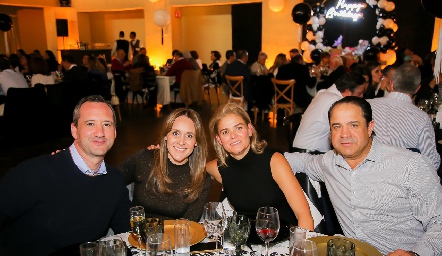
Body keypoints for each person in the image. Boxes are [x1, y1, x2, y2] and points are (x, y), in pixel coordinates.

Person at [285, 96, 442, 256]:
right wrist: (260, 150)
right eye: (337, 127)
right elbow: (300, 161)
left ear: (369, 127)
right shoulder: (329, 162)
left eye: (353, 125)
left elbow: (439, 222)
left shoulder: (410, 165)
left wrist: (414, 254)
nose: (344, 134)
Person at [0, 95, 131, 255]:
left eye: (107, 124)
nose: (100, 132)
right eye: (90, 124)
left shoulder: (114, 181)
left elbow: (128, 233)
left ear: (115, 132)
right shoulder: (35, 173)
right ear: (74, 130)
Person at [206, 103, 314, 230]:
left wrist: (300, 247)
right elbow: (193, 170)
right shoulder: (220, 168)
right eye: (225, 132)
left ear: (250, 129)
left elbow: (303, 214)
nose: (233, 135)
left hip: (282, 239)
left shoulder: (274, 161)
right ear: (219, 140)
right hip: (246, 241)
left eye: (239, 128)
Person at [120, 108, 211, 222]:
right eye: (175, 133)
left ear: (196, 141)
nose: (181, 142)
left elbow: (189, 226)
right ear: (165, 136)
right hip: (137, 236)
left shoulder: (201, 179)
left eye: (189, 136)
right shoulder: (144, 159)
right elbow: (110, 183)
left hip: (175, 237)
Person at [367, 64, 440, 170]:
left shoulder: (366, 105)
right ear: (417, 89)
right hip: (402, 178)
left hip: (367, 173)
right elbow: (431, 162)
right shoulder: (422, 118)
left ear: (391, 84)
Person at [293, 72, 368, 153]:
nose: (362, 96)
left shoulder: (324, 94)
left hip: (304, 149)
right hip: (311, 154)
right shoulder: (335, 102)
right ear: (347, 92)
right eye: (359, 93)